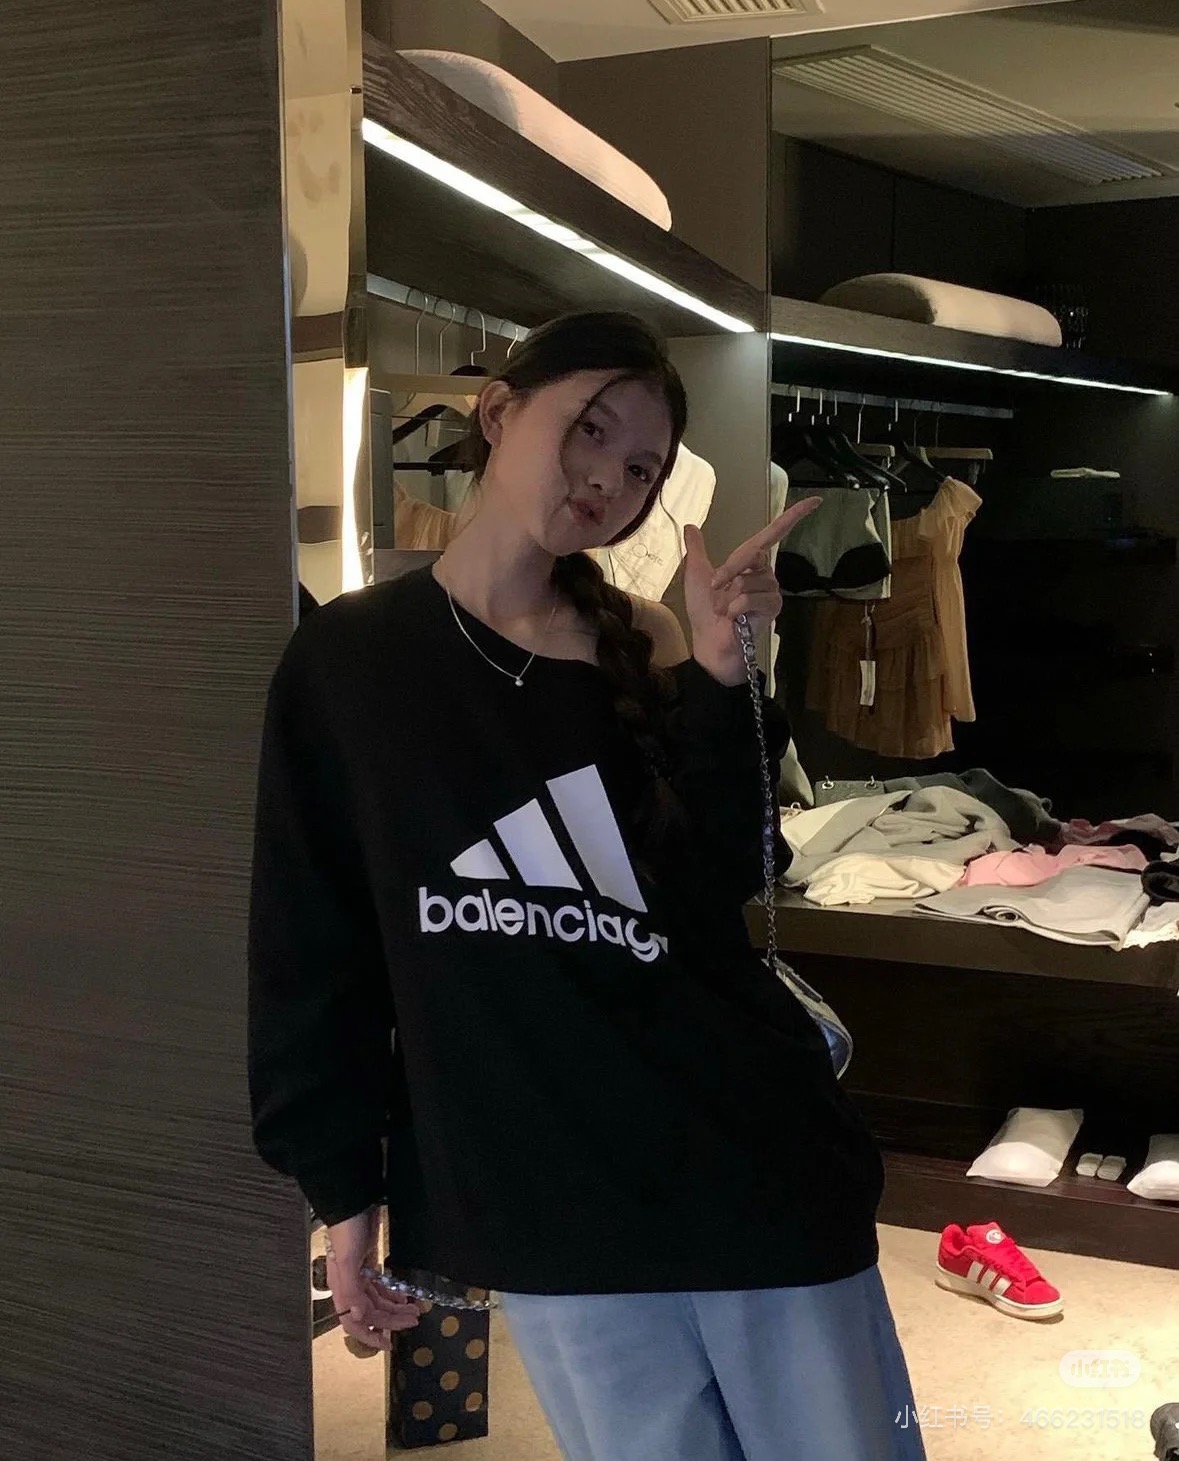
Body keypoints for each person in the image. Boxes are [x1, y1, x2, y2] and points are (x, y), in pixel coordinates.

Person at [248, 311, 925, 1461]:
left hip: (745, 1156)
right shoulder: (348, 662)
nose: (610, 476)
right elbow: (312, 945)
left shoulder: (648, 642)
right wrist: (341, 1184)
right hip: (542, 1188)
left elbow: (723, 888)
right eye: (591, 429)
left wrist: (721, 681)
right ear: (498, 411)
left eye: (643, 466)